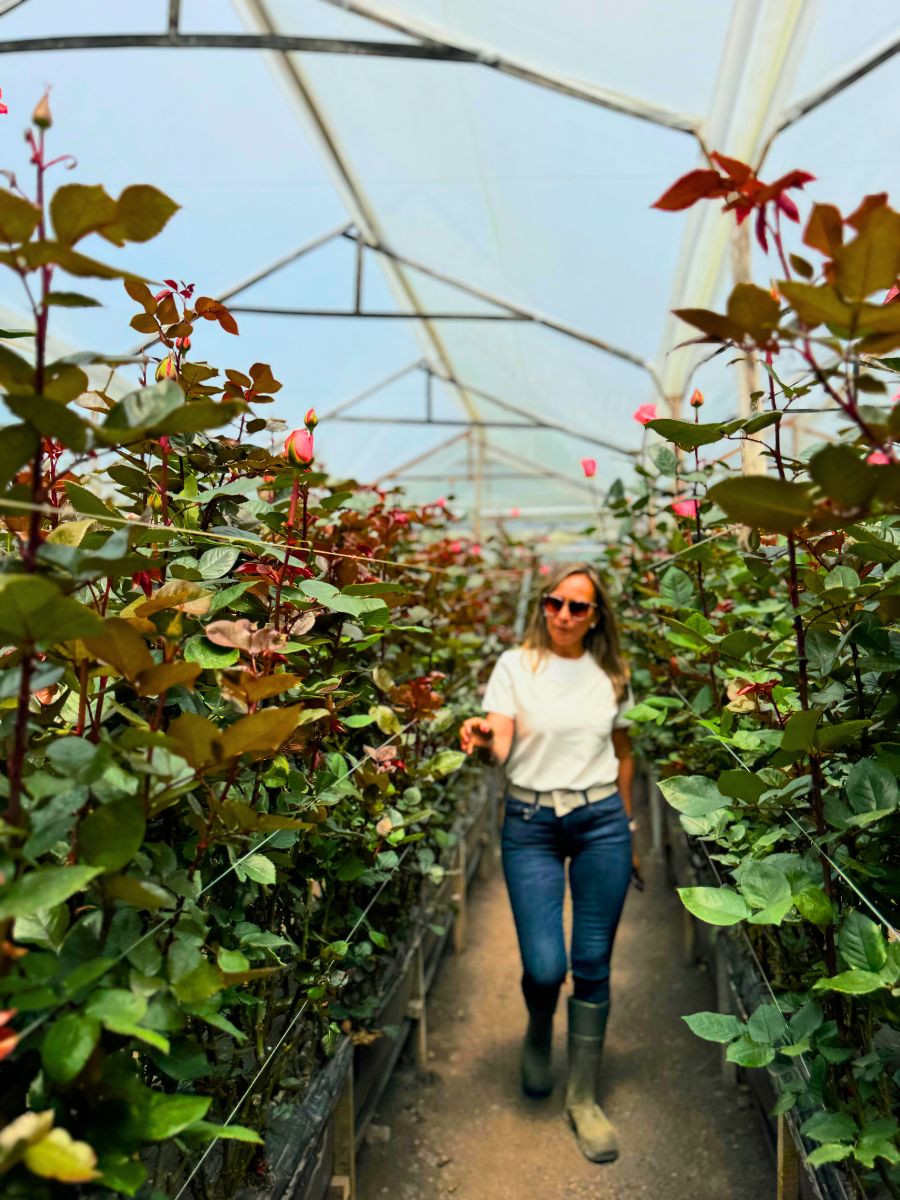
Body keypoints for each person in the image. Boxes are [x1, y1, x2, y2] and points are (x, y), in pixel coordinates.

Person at [459, 562, 636, 1164]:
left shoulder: (612, 674)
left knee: (592, 963)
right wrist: (484, 741)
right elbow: (501, 741)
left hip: (602, 823)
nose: (563, 614)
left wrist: (630, 827)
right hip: (530, 824)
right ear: (543, 605)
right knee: (543, 966)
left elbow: (622, 750)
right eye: (554, 602)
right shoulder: (516, 666)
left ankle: (582, 1099)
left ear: (596, 616)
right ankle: (539, 1027)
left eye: (578, 607)